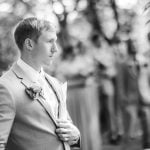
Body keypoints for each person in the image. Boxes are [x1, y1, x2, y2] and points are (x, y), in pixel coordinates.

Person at [0, 17, 80, 150]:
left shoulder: (54, 83)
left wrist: (76, 136)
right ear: (29, 44)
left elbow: (67, 128)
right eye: (50, 42)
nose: (56, 49)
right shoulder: (5, 87)